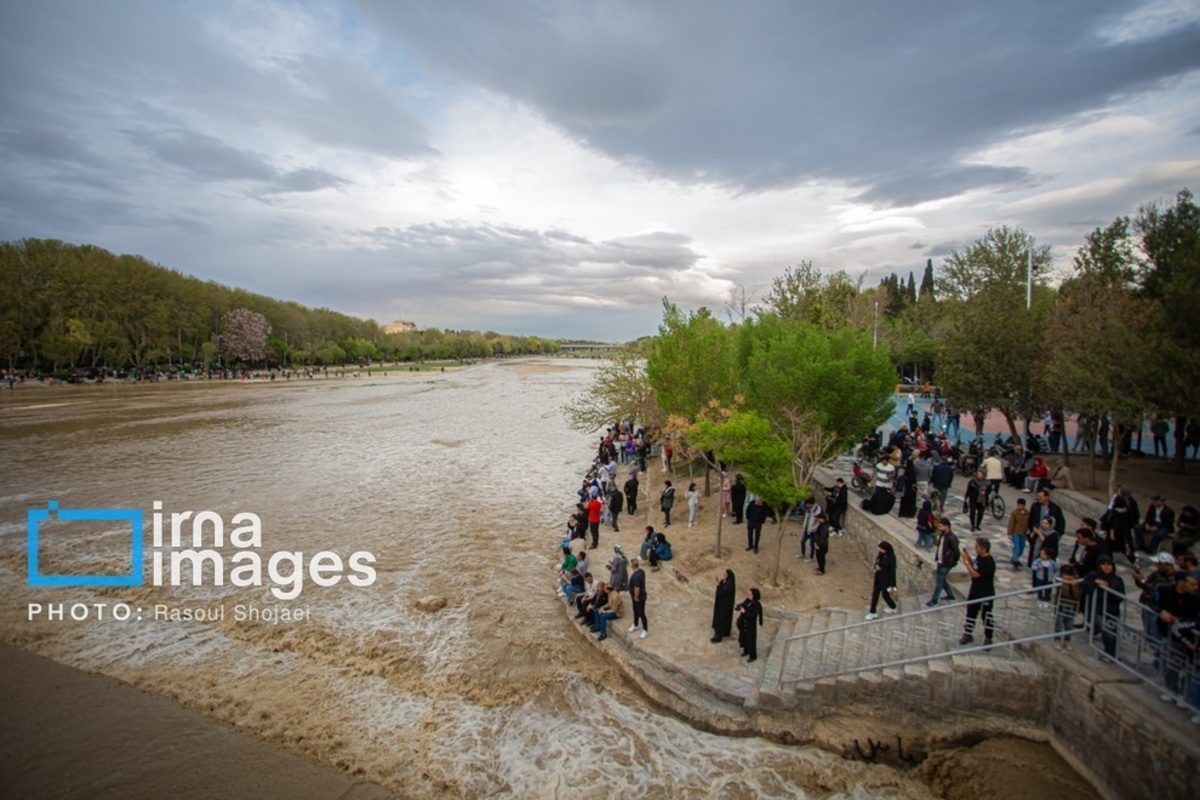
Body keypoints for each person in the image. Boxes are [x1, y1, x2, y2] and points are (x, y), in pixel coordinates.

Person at [1081, 555, 1125, 658]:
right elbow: (1084, 585)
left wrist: (1108, 588)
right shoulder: (1093, 575)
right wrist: (1095, 583)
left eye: (1109, 564)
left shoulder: (1117, 580)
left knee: (1112, 634)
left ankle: (1111, 654)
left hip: (1112, 611)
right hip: (1097, 610)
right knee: (1106, 631)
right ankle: (1109, 653)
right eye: (1103, 564)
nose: (1106, 567)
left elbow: (1120, 596)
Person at [958, 537, 997, 646]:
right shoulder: (980, 557)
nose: (975, 548)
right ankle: (968, 633)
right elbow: (975, 567)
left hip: (985, 592)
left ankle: (988, 638)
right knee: (971, 613)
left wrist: (966, 563)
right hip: (975, 590)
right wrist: (969, 559)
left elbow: (976, 574)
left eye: (977, 547)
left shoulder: (989, 562)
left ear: (983, 549)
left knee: (986, 616)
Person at [927, 519, 960, 606]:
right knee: (942, 579)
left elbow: (956, 551)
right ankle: (950, 595)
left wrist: (953, 561)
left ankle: (934, 600)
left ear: (947, 526)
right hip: (941, 561)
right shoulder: (943, 535)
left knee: (939, 582)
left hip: (946, 563)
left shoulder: (951, 538)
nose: (939, 528)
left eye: (941, 526)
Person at [865, 541, 899, 620]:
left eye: (881, 549)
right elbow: (877, 563)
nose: (880, 550)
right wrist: (876, 567)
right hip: (878, 578)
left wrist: (892, 584)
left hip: (886, 580)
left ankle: (892, 606)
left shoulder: (891, 557)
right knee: (875, 595)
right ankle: (872, 612)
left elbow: (892, 571)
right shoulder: (880, 555)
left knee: (885, 595)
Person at [1052, 565, 1082, 651]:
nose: (1067, 577)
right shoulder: (1060, 582)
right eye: (1065, 575)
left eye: (1069, 575)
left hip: (1072, 606)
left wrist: (1073, 585)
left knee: (1069, 624)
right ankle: (1057, 639)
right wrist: (1066, 584)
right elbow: (1064, 593)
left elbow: (1077, 595)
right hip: (1061, 605)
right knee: (1059, 623)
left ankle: (1067, 640)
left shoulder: (1077, 583)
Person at [736, 588, 764, 662]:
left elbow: (753, 615)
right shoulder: (747, 600)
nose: (749, 596)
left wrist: (745, 612)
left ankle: (753, 655)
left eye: (750, 594)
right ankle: (746, 650)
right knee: (744, 637)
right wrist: (739, 606)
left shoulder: (756, 605)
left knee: (750, 639)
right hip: (744, 623)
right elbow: (743, 604)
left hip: (750, 625)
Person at [711, 569, 737, 643]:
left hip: (724, 605)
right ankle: (725, 631)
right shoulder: (725, 581)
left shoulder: (730, 584)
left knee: (721, 619)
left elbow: (723, 592)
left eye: (725, 574)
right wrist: (719, 584)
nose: (724, 575)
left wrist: (718, 586)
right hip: (721, 604)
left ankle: (718, 636)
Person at [1006, 497, 1030, 571]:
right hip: (1016, 533)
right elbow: (1011, 523)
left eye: (1021, 505)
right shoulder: (1014, 513)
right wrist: (1009, 533)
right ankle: (1015, 561)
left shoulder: (1027, 513)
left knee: (1022, 547)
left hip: (1023, 533)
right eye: (1018, 505)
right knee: (1016, 547)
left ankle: (1015, 558)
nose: (1020, 506)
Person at [628, 558, 648, 639]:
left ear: (632, 566)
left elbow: (637, 588)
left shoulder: (636, 576)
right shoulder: (641, 571)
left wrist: (636, 597)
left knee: (641, 613)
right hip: (636, 597)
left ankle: (645, 630)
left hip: (639, 597)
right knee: (635, 610)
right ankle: (635, 624)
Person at [812, 511, 831, 575]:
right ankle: (820, 567)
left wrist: (818, 545)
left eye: (818, 518)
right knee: (819, 557)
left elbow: (823, 537)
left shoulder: (824, 527)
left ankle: (822, 570)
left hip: (822, 545)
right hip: (820, 544)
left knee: (821, 557)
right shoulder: (822, 525)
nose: (817, 520)